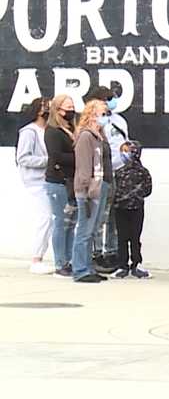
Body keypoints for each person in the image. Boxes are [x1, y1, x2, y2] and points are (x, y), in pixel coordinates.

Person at [81, 87, 121, 274]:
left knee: (108, 217)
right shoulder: (86, 134)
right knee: (91, 223)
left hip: (110, 175)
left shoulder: (114, 124)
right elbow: (85, 162)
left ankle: (109, 253)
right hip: (94, 182)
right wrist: (87, 186)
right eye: (107, 100)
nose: (110, 103)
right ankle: (90, 259)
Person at [71, 100, 110, 283]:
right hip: (88, 190)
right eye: (103, 113)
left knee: (92, 230)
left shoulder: (98, 136)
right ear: (92, 114)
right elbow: (84, 166)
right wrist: (86, 190)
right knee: (84, 230)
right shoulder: (86, 136)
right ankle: (80, 269)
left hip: (98, 187)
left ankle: (88, 266)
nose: (106, 117)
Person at [16, 98, 55, 274]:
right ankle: (36, 259)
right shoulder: (29, 132)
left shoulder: (50, 130)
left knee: (53, 218)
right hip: (36, 182)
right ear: (39, 110)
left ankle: (45, 257)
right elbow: (22, 158)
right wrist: (48, 161)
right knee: (45, 217)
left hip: (49, 180)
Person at [44, 94, 77, 277]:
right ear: (58, 110)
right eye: (67, 108)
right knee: (61, 222)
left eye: (72, 107)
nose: (71, 111)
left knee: (71, 223)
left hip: (71, 181)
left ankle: (69, 259)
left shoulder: (72, 129)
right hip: (58, 181)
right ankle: (60, 262)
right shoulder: (52, 131)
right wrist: (79, 156)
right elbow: (56, 155)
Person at [111, 141, 153, 279]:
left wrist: (133, 196)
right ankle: (123, 265)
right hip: (122, 209)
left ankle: (135, 264)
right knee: (124, 237)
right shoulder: (120, 172)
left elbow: (147, 190)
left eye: (126, 151)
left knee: (133, 237)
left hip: (134, 208)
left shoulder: (142, 172)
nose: (123, 155)